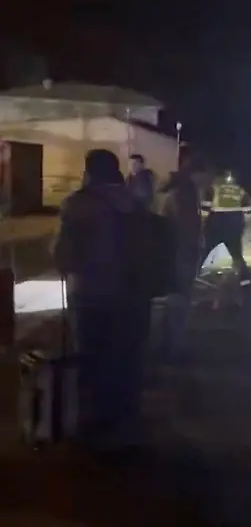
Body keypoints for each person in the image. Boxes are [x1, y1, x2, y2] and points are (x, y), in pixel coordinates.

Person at [52, 149, 152, 451]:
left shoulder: (77, 204)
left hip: (91, 295)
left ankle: (93, 426)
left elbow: (62, 255)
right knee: (125, 357)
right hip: (133, 295)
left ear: (89, 171)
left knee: (92, 358)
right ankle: (125, 418)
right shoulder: (135, 203)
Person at [155, 149, 202, 362]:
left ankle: (169, 345)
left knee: (175, 302)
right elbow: (186, 228)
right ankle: (171, 349)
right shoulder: (183, 193)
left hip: (175, 253)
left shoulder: (179, 189)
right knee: (178, 302)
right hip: (180, 253)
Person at [200, 169, 251, 287]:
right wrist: (243, 225)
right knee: (236, 254)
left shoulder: (213, 188)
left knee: (204, 251)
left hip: (216, 222)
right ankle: (245, 281)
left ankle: (191, 278)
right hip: (234, 223)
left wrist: (203, 223)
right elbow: (249, 211)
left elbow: (205, 208)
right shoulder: (240, 190)